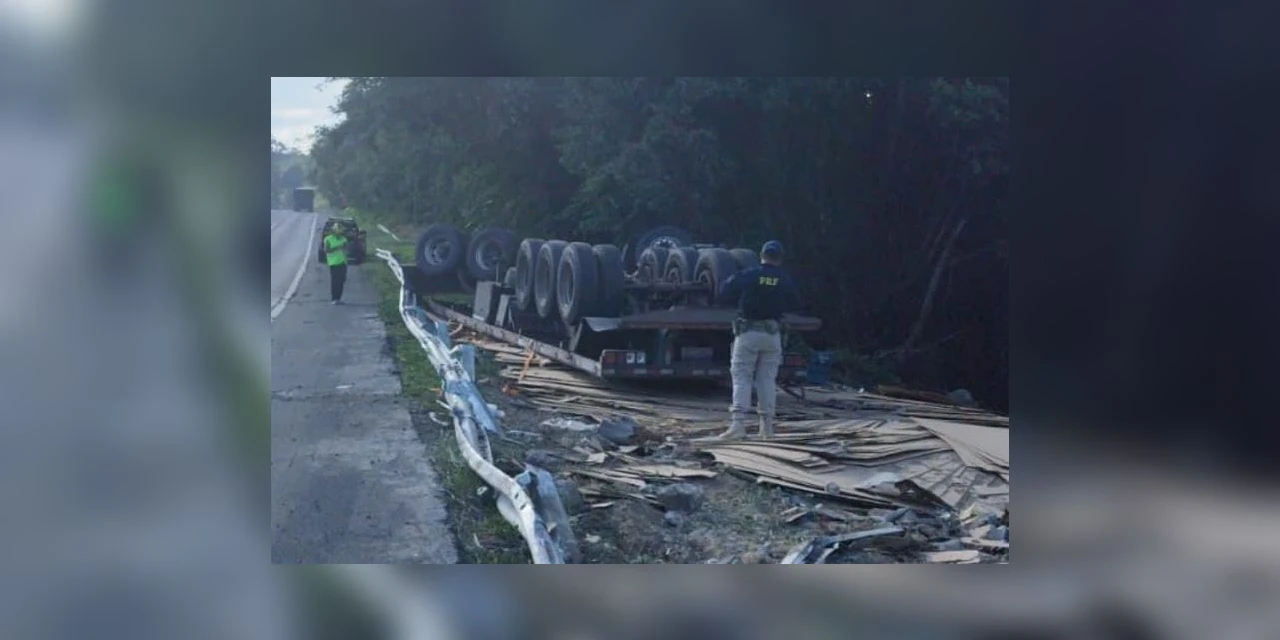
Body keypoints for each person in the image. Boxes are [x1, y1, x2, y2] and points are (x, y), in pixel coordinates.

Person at [706, 240, 802, 441]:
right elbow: (796, 301)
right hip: (772, 335)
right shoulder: (784, 279)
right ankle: (766, 428)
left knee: (741, 376)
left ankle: (738, 425)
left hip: (749, 333)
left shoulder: (752, 274)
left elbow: (726, 288)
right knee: (767, 379)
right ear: (780, 259)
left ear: (762, 256)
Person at [322, 222, 349, 304]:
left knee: (342, 281)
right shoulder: (328, 239)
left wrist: (344, 248)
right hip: (334, 263)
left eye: (341, 231)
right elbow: (326, 250)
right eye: (339, 230)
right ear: (334, 231)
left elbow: (346, 249)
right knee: (335, 281)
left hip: (343, 262)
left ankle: (339, 298)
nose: (340, 232)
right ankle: (334, 298)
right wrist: (338, 247)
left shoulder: (344, 239)